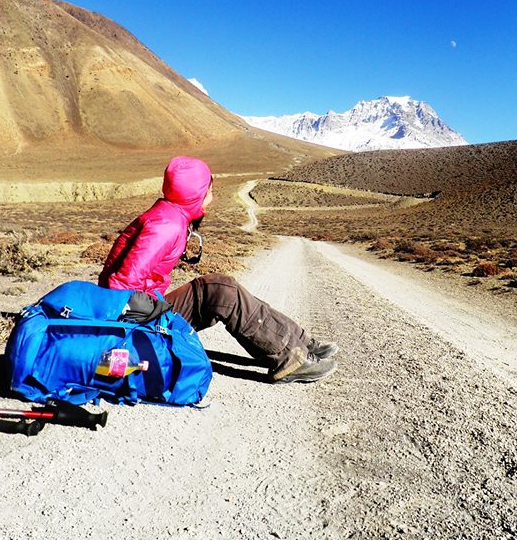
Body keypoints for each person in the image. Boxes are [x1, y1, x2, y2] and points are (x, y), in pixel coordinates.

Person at [98, 156, 338, 383]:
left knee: (220, 285)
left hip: (147, 309)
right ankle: (290, 359)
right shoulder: (166, 225)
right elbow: (122, 284)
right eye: (210, 191)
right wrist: (127, 339)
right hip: (139, 324)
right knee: (223, 293)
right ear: (196, 194)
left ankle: (299, 343)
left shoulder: (169, 215)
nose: (211, 198)